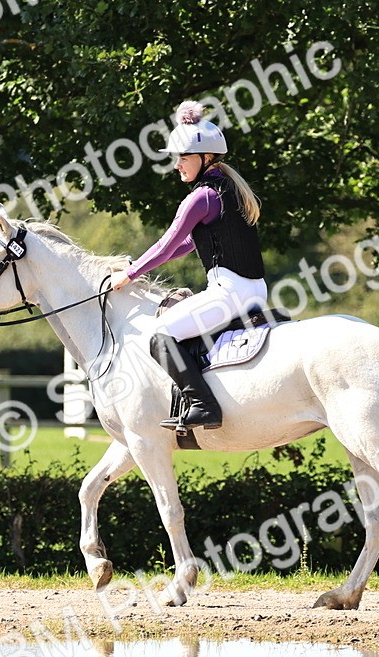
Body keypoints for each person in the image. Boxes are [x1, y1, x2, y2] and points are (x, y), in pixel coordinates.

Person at [112, 100, 268, 431]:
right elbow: (185, 245)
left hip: (230, 294)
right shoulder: (227, 189)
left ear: (204, 158)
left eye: (182, 158)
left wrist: (129, 273)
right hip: (256, 291)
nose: (176, 165)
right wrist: (142, 265)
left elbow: (166, 244)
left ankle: (203, 405)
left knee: (160, 333)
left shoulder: (202, 197)